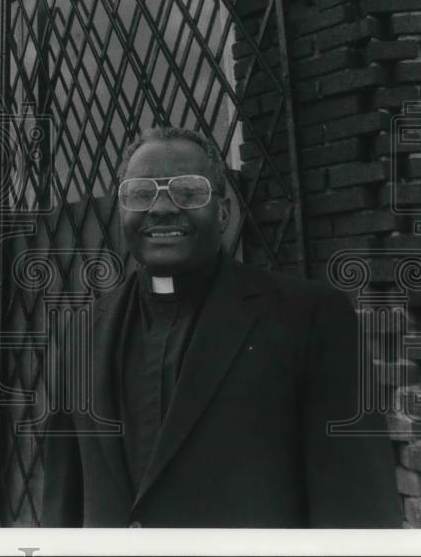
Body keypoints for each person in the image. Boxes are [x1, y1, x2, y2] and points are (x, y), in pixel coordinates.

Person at [41, 126, 402, 528]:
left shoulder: (310, 318)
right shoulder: (81, 331)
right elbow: (63, 502)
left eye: (189, 191)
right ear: (122, 211)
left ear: (224, 211)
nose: (161, 208)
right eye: (140, 193)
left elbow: (358, 507)